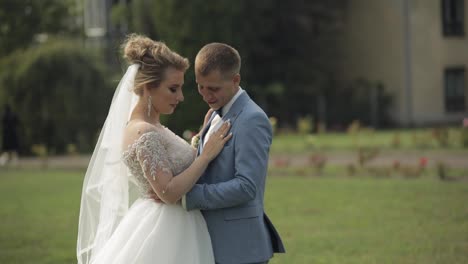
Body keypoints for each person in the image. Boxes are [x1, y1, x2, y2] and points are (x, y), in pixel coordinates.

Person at [76, 34, 232, 264]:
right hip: (165, 230)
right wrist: (206, 155)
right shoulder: (143, 132)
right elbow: (168, 192)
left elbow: (170, 164)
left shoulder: (152, 127)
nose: (180, 97)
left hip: (178, 224)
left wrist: (199, 138)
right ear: (149, 87)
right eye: (173, 89)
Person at [182, 43, 286, 263]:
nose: (205, 95)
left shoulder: (252, 120)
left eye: (214, 88)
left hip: (240, 249)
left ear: (235, 80)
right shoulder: (213, 114)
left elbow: (247, 186)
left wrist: (188, 196)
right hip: (214, 244)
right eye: (201, 86)